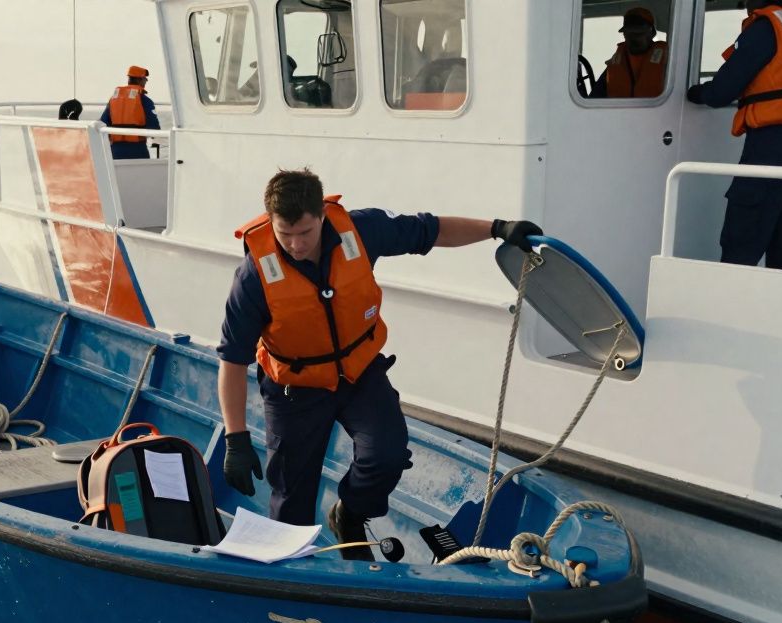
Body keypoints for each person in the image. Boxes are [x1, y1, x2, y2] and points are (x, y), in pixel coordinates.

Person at [217, 169, 542, 560]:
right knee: (292, 496)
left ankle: (349, 515)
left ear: (322, 215)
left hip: (359, 373)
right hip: (294, 390)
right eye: (285, 234)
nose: (295, 244)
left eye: (305, 232)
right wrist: (236, 439)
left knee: (386, 455)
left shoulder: (360, 231)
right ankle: (291, 568)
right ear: (271, 222)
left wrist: (497, 228)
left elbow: (431, 231)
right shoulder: (253, 276)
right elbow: (232, 360)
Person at [687, 0, 782, 270]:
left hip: (771, 149)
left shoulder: (768, 27)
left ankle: (730, 298)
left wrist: (696, 93)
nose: (745, 4)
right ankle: (775, 298)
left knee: (741, 246)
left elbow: (720, 92)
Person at [593, 7, 668, 98]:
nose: (633, 39)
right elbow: (595, 97)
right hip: (619, 108)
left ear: (652, 33)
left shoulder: (667, 60)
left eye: (638, 34)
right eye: (628, 34)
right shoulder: (616, 62)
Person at [99, 66, 161, 160]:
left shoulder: (113, 100)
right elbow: (154, 128)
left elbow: (103, 123)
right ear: (140, 80)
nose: (146, 81)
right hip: (137, 150)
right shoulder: (145, 100)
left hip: (115, 152)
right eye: (145, 79)